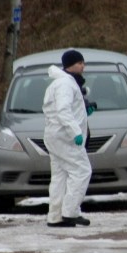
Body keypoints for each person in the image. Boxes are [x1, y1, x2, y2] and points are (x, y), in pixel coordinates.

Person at [42, 49, 93, 227]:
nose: (83, 66)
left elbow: (68, 109)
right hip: (65, 137)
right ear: (70, 65)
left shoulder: (64, 83)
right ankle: (70, 212)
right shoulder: (65, 84)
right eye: (80, 63)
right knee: (82, 170)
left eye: (83, 63)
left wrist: (85, 111)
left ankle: (55, 217)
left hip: (56, 136)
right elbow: (63, 110)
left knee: (60, 176)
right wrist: (76, 133)